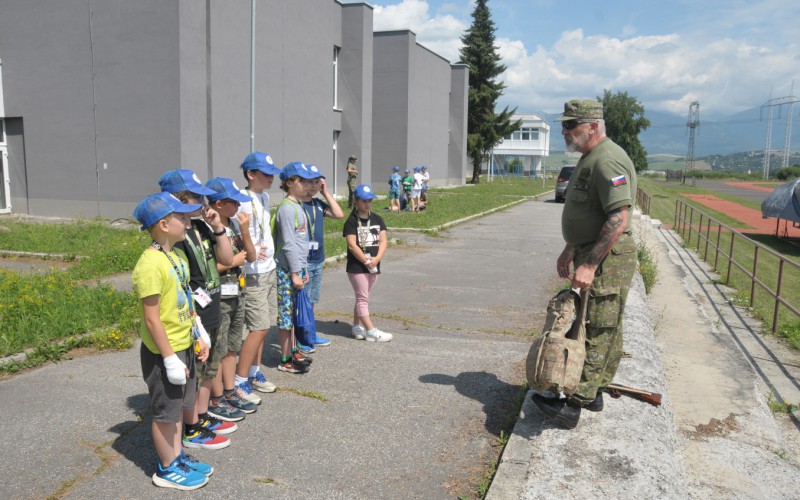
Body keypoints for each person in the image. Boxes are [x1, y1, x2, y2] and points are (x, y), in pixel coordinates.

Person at [532, 98, 638, 429]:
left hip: (608, 258)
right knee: (594, 323)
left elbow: (618, 218)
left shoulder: (608, 161)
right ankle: (594, 392)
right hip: (591, 250)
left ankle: (575, 404)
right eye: (563, 125)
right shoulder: (590, 157)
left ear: (592, 126)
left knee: (598, 329)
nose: (564, 131)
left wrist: (590, 263)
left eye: (570, 125)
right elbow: (588, 213)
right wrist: (570, 248)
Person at [131, 191, 212, 490]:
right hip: (164, 351)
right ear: (164, 224)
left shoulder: (176, 256)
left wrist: (199, 333)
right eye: (182, 217)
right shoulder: (150, 264)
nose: (188, 222)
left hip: (183, 343)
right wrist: (168, 358)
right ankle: (166, 468)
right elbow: (152, 318)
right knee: (166, 412)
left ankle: (176, 456)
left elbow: (186, 299)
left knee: (178, 407)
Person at [158, 169, 237, 449]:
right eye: (193, 196)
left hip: (213, 305)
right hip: (194, 315)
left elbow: (226, 259)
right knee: (195, 373)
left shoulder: (202, 227)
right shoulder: (173, 234)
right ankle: (191, 426)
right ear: (176, 198)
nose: (200, 201)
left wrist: (217, 228)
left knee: (209, 369)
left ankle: (202, 416)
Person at [203, 177, 259, 421]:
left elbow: (253, 256)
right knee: (219, 347)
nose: (239, 207)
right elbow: (204, 269)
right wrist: (230, 264)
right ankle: (215, 398)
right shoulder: (208, 230)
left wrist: (245, 230)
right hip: (220, 298)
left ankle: (229, 390)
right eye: (234, 202)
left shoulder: (234, 226)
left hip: (238, 293)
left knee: (232, 346)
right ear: (218, 203)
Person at [233, 151, 282, 407]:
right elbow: (236, 231)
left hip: (268, 268)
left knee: (264, 325)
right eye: (266, 174)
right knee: (259, 326)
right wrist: (248, 245)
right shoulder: (241, 200)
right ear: (251, 174)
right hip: (252, 273)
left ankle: (253, 371)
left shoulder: (263, 196)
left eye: (272, 173)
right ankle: (239, 380)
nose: (271, 178)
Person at [274, 162, 314, 373]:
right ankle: (285, 358)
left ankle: (295, 349)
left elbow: (301, 242)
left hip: (297, 268)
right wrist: (296, 272)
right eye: (303, 181)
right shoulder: (287, 209)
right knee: (286, 315)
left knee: (295, 312)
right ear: (289, 182)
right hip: (287, 270)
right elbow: (289, 243)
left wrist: (303, 268)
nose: (307, 185)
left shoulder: (297, 205)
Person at [300, 164, 344, 350]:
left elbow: (338, 214)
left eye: (317, 182)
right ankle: (301, 338)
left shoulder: (318, 204)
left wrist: (325, 193)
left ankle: (310, 333)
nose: (313, 186)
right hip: (303, 260)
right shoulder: (297, 204)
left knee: (312, 300)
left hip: (317, 259)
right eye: (309, 182)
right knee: (301, 301)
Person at [343, 184, 392, 342]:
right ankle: (371, 331)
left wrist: (376, 260)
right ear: (356, 201)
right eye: (364, 201)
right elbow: (352, 244)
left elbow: (384, 241)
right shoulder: (351, 221)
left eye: (369, 200)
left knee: (362, 298)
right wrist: (365, 260)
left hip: (373, 265)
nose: (367, 204)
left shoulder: (377, 219)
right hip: (357, 267)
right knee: (363, 299)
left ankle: (357, 325)